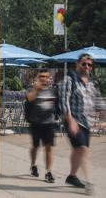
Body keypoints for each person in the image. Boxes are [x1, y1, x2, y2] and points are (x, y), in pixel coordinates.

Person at [60, 53, 103, 195]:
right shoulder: (69, 79)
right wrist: (70, 120)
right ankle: (89, 182)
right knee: (83, 149)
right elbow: (64, 100)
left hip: (87, 122)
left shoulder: (92, 83)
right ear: (77, 64)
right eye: (84, 64)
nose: (87, 67)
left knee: (78, 150)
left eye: (89, 64)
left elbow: (98, 102)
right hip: (73, 121)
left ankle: (72, 176)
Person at [25, 69, 56, 183]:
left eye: (46, 76)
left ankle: (48, 172)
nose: (44, 78)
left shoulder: (52, 90)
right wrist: (36, 89)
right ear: (38, 78)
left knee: (49, 147)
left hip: (49, 123)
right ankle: (33, 165)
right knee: (35, 146)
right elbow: (29, 98)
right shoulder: (32, 88)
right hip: (35, 123)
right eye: (41, 76)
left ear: (49, 78)